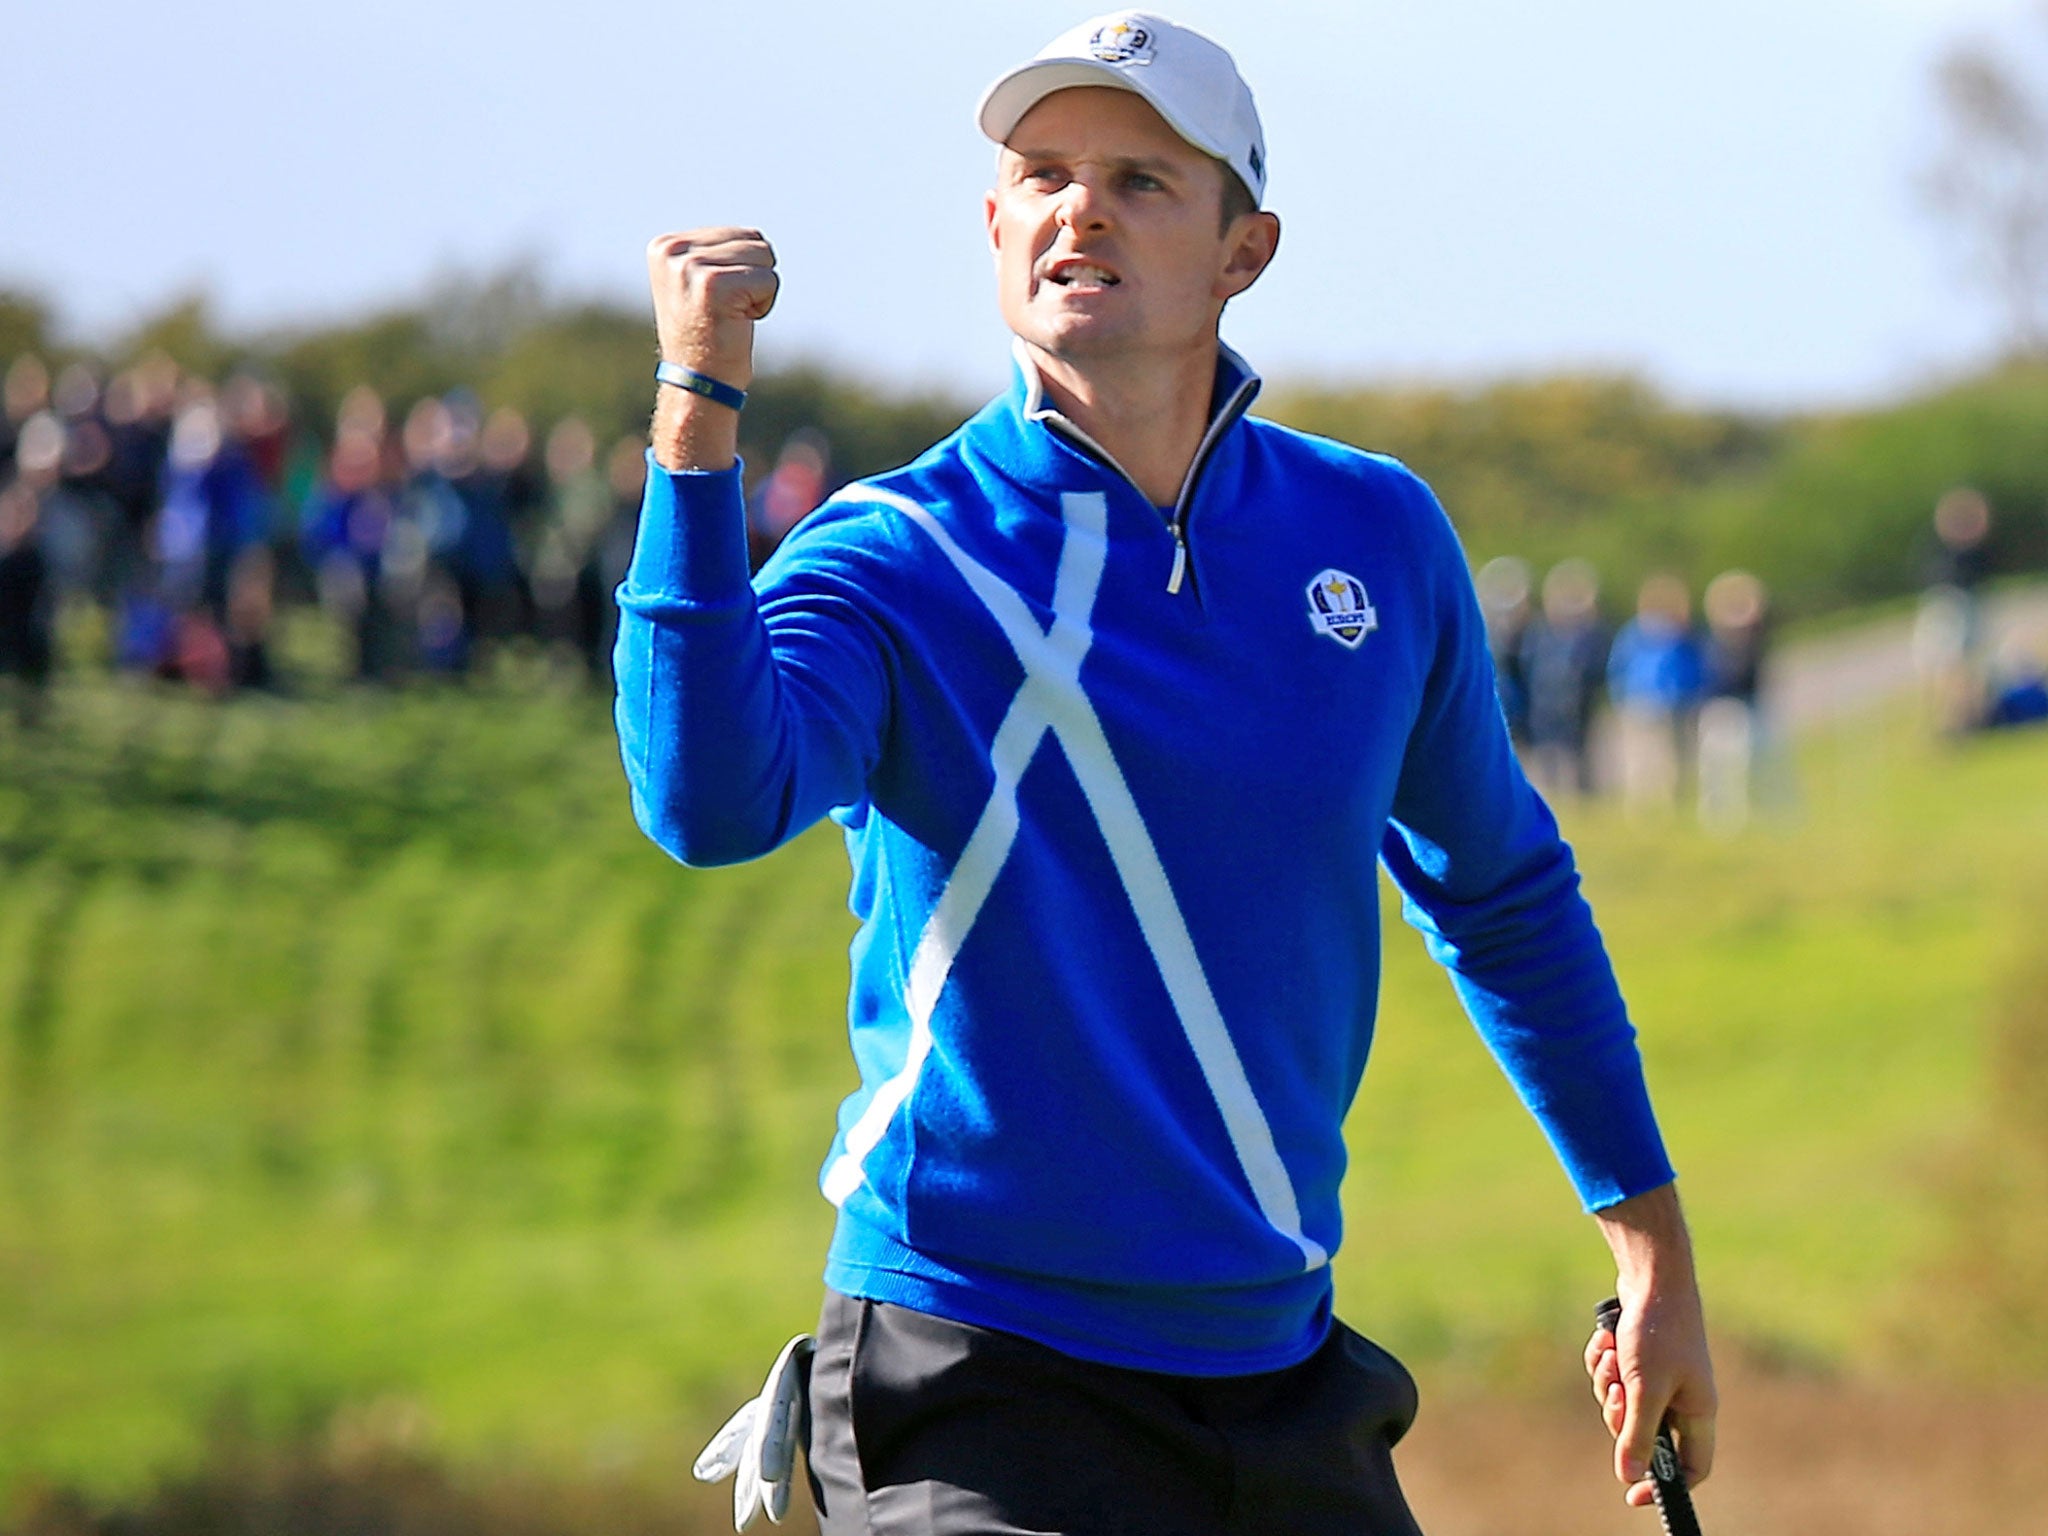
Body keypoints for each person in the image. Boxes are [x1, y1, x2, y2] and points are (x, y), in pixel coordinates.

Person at [615, 13, 1714, 1534]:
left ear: (1242, 251)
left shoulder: (1376, 537)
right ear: (993, 225)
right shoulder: (894, 558)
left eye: (1140, 180)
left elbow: (1506, 899)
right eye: (1044, 173)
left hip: (1282, 1364)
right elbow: (708, 803)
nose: (1081, 207)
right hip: (976, 1377)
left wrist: (1652, 1255)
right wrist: (693, 426)